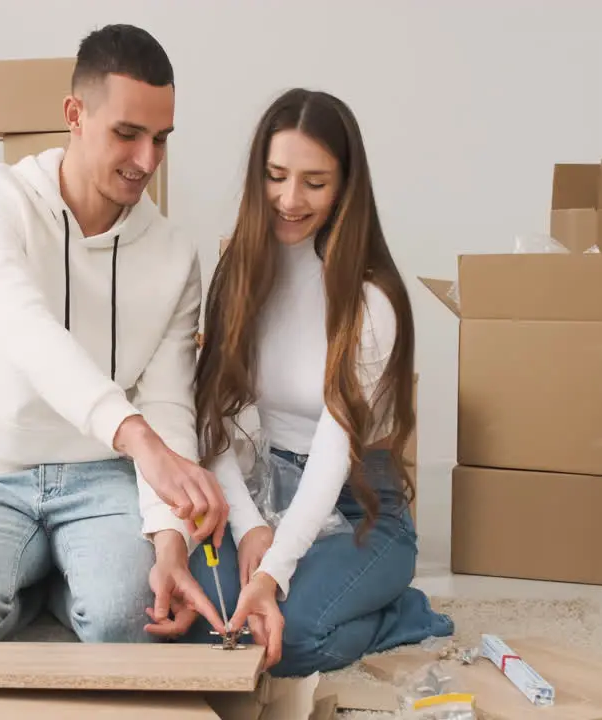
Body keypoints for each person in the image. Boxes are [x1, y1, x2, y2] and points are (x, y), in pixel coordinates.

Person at [0, 24, 231, 646]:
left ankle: (69, 585)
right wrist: (136, 436)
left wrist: (170, 540)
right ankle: (43, 583)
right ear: (74, 115)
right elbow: (27, 332)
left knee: (131, 620)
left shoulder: (172, 253)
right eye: (127, 134)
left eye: (160, 139)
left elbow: (167, 400)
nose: (147, 161)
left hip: (104, 476)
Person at [186, 88, 455, 716]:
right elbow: (215, 421)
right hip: (263, 486)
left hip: (361, 506)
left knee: (292, 636)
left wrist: (272, 570)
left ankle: (398, 611)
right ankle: (312, 587)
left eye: (314, 182)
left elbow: (335, 453)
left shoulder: (368, 298)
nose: (289, 199)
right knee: (210, 626)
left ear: (344, 188)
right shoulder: (241, 271)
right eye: (276, 177)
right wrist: (251, 525)